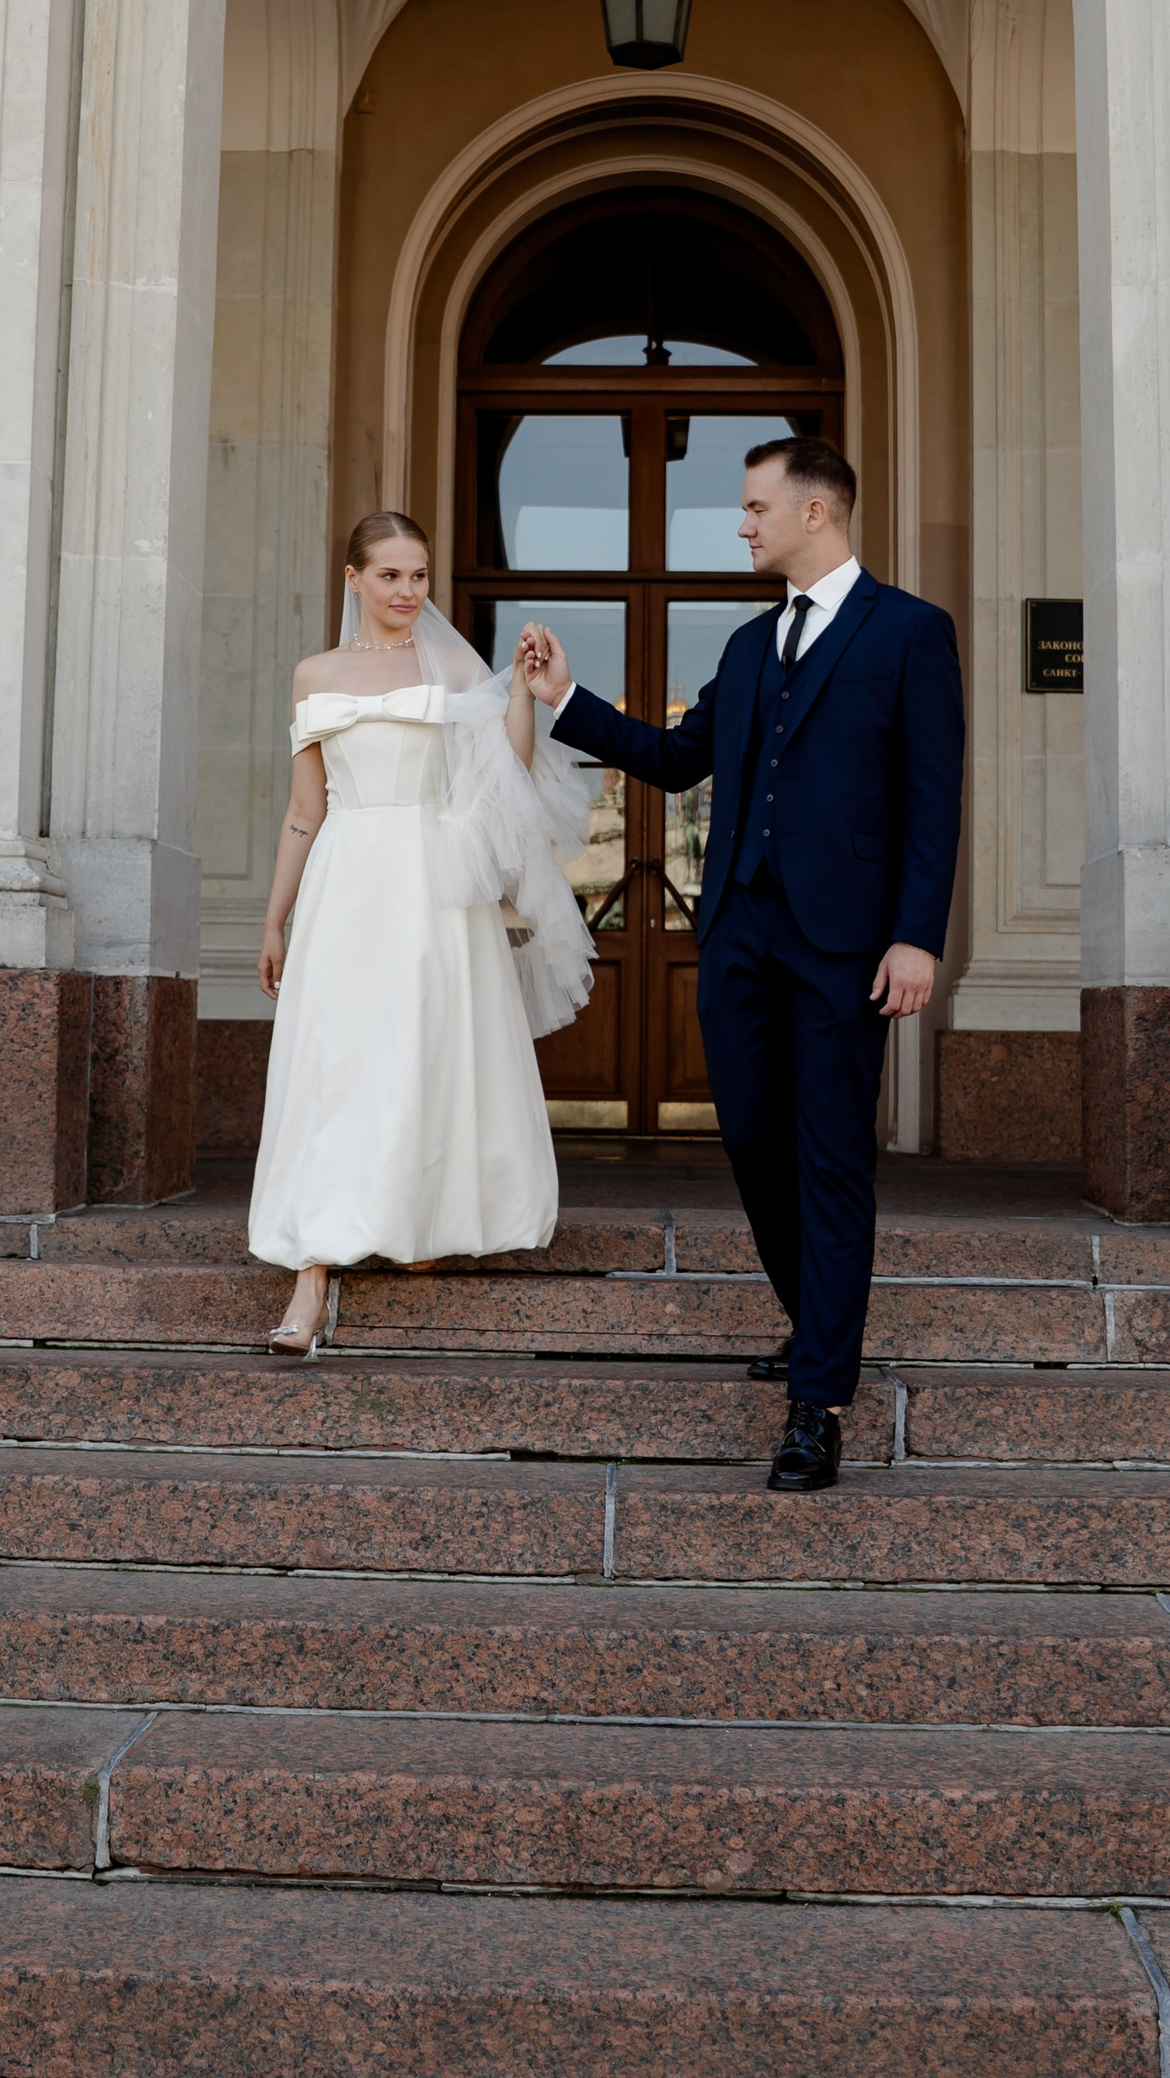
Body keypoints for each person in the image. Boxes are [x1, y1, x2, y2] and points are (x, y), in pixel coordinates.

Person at [519, 436, 963, 1491]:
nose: (742, 522)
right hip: (740, 934)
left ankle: (818, 1400)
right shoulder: (750, 644)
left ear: (818, 511)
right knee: (754, 1136)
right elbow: (678, 760)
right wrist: (567, 700)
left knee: (830, 1157)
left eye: (757, 505)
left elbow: (932, 797)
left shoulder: (909, 631)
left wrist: (918, 933)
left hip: (851, 942)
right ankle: (817, 1318)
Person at [250, 510, 595, 1353]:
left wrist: (518, 689)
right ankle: (313, 1271)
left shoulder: (450, 665)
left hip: (434, 881)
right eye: (391, 575)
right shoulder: (312, 674)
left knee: (424, 1050)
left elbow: (504, 773)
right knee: (337, 1058)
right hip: (344, 878)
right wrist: (275, 915)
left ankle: (418, 1221)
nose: (409, 591)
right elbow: (305, 810)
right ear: (353, 578)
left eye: (420, 575)